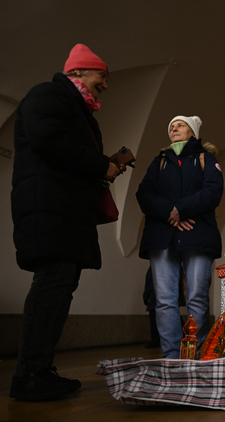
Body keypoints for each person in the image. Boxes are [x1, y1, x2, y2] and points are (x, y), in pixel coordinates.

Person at [10, 44, 125, 401]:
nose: (105, 85)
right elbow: (48, 141)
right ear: (78, 72)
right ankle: (29, 374)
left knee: (60, 286)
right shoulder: (47, 94)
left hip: (62, 211)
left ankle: (41, 368)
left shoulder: (75, 109)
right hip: (49, 209)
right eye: (100, 77)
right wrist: (99, 165)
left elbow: (69, 154)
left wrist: (105, 166)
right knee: (52, 284)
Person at [136, 115, 223, 358]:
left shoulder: (206, 158)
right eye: (171, 126)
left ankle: (197, 355)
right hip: (162, 235)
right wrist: (170, 213)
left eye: (180, 125)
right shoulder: (160, 161)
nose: (174, 129)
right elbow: (144, 193)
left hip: (198, 234)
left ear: (193, 132)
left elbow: (213, 191)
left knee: (196, 296)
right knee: (164, 300)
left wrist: (181, 210)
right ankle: (172, 356)